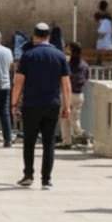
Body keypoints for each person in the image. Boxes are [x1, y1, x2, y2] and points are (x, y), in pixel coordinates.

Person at [12, 22, 71, 190]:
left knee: (29, 141)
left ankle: (28, 175)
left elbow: (18, 82)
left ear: (34, 36)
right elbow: (66, 84)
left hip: (31, 105)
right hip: (52, 104)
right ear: (49, 37)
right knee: (49, 142)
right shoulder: (59, 55)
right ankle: (46, 180)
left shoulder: (28, 55)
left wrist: (14, 103)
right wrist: (67, 106)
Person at [58, 41, 89, 149]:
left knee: (64, 118)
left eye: (67, 48)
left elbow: (62, 77)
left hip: (67, 94)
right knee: (75, 118)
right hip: (79, 95)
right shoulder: (84, 64)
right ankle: (78, 134)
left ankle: (70, 139)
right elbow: (86, 77)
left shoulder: (67, 63)